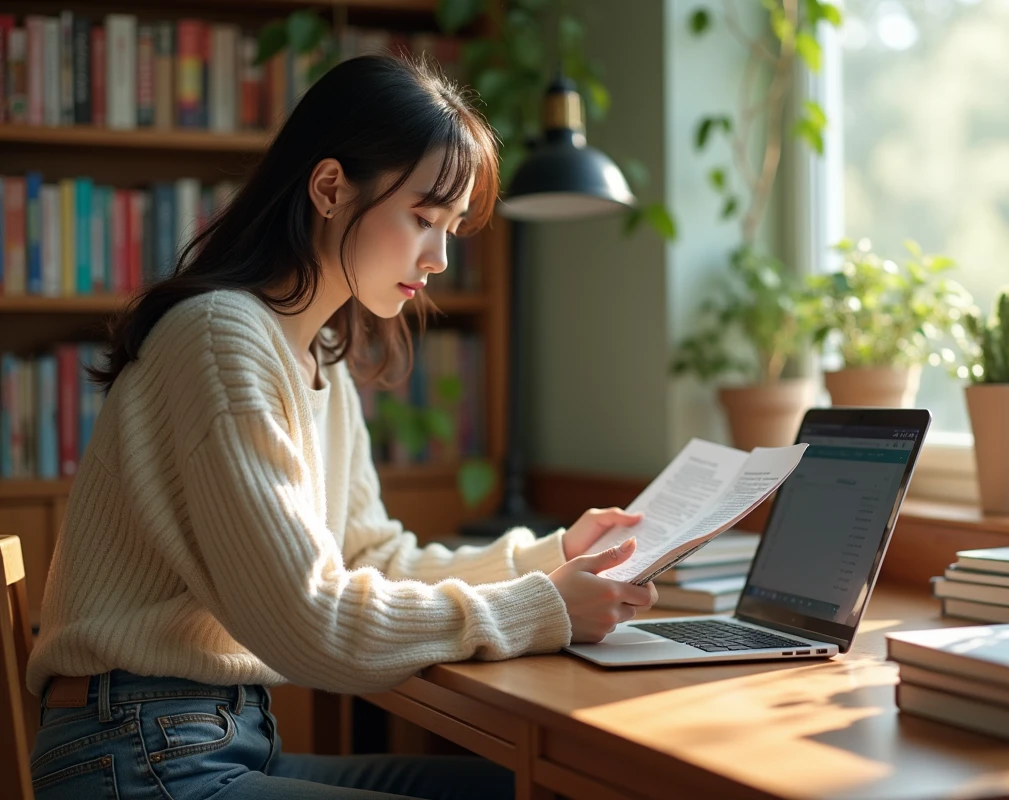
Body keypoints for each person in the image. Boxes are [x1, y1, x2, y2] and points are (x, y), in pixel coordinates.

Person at [25, 54, 657, 800]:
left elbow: (368, 556)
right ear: (330, 187)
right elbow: (311, 618)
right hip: (135, 758)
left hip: (216, 741)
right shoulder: (221, 338)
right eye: (423, 218)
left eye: (451, 228)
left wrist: (544, 562)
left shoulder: (316, 352)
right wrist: (542, 608)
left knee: (520, 787)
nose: (439, 257)